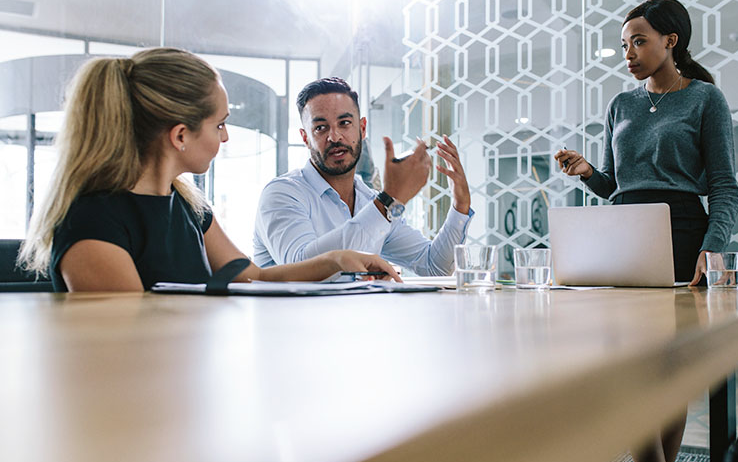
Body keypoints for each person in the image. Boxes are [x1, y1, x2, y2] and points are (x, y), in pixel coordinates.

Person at [18, 48, 398, 292]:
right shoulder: (93, 224)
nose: (226, 137)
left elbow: (255, 277)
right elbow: (135, 343)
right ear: (181, 135)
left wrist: (336, 259)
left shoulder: (188, 207)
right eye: (219, 125)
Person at [555, 0, 738, 462]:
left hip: (681, 236)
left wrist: (712, 246)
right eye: (624, 44)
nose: (629, 53)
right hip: (624, 234)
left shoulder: (704, 99)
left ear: (670, 41)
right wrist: (589, 172)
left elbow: (723, 185)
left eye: (639, 41)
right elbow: (615, 184)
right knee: (632, 377)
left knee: (668, 376)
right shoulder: (621, 104)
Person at [253, 77, 473, 276]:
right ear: (306, 138)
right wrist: (389, 199)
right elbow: (300, 268)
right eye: (320, 128)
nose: (335, 136)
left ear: (362, 128)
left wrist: (460, 206)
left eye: (344, 123)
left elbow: (434, 267)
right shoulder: (282, 194)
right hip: (291, 320)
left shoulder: (370, 201)